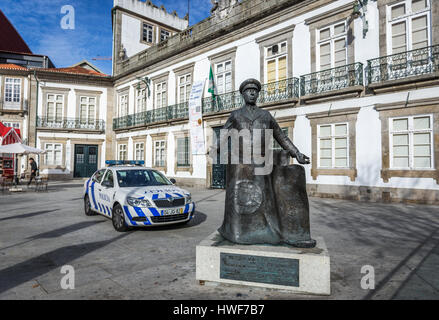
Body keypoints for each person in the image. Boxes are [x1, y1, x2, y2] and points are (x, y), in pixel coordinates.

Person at [217, 78, 316, 248]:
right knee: (241, 201)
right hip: (240, 165)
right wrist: (218, 148)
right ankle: (238, 232)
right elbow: (224, 134)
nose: (252, 93)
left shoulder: (266, 116)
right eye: (249, 90)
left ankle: (267, 231)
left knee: (264, 201)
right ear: (243, 94)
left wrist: (297, 153)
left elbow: (281, 137)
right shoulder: (235, 115)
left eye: (255, 90)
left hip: (262, 164)